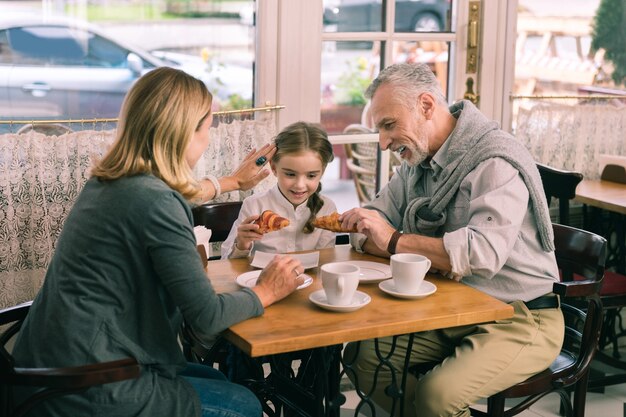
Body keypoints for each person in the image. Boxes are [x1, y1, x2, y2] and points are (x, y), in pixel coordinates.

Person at [12, 67, 307, 417]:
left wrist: (230, 182)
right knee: (242, 403)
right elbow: (207, 317)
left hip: (44, 369)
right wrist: (268, 290)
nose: (209, 138)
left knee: (211, 377)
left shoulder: (111, 180)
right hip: (87, 384)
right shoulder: (157, 202)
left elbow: (165, 197)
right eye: (207, 128)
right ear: (184, 134)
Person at [339, 63, 565, 417]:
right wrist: (378, 232)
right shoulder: (417, 162)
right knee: (363, 359)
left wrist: (393, 239)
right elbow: (374, 219)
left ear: (426, 106)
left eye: (388, 125)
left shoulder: (493, 160)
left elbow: (482, 255)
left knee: (436, 396)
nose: (383, 143)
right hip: (455, 308)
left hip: (522, 316)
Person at [221, 121, 337, 259]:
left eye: (311, 175)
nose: (300, 185)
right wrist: (242, 244)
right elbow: (226, 262)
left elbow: (325, 261)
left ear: (322, 172)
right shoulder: (253, 205)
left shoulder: (327, 208)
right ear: (274, 168)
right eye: (290, 174)